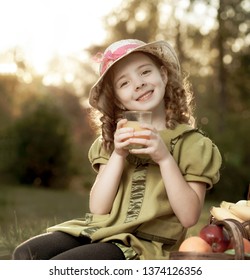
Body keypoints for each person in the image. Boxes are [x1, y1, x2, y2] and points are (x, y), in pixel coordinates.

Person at [12, 39, 222, 260]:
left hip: (143, 242)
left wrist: (165, 159)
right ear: (118, 100)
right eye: (124, 83)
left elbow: (189, 217)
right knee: (25, 255)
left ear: (163, 75)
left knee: (61, 266)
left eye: (145, 72)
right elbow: (99, 208)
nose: (138, 84)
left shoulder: (193, 144)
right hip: (100, 229)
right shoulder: (112, 141)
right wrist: (118, 154)